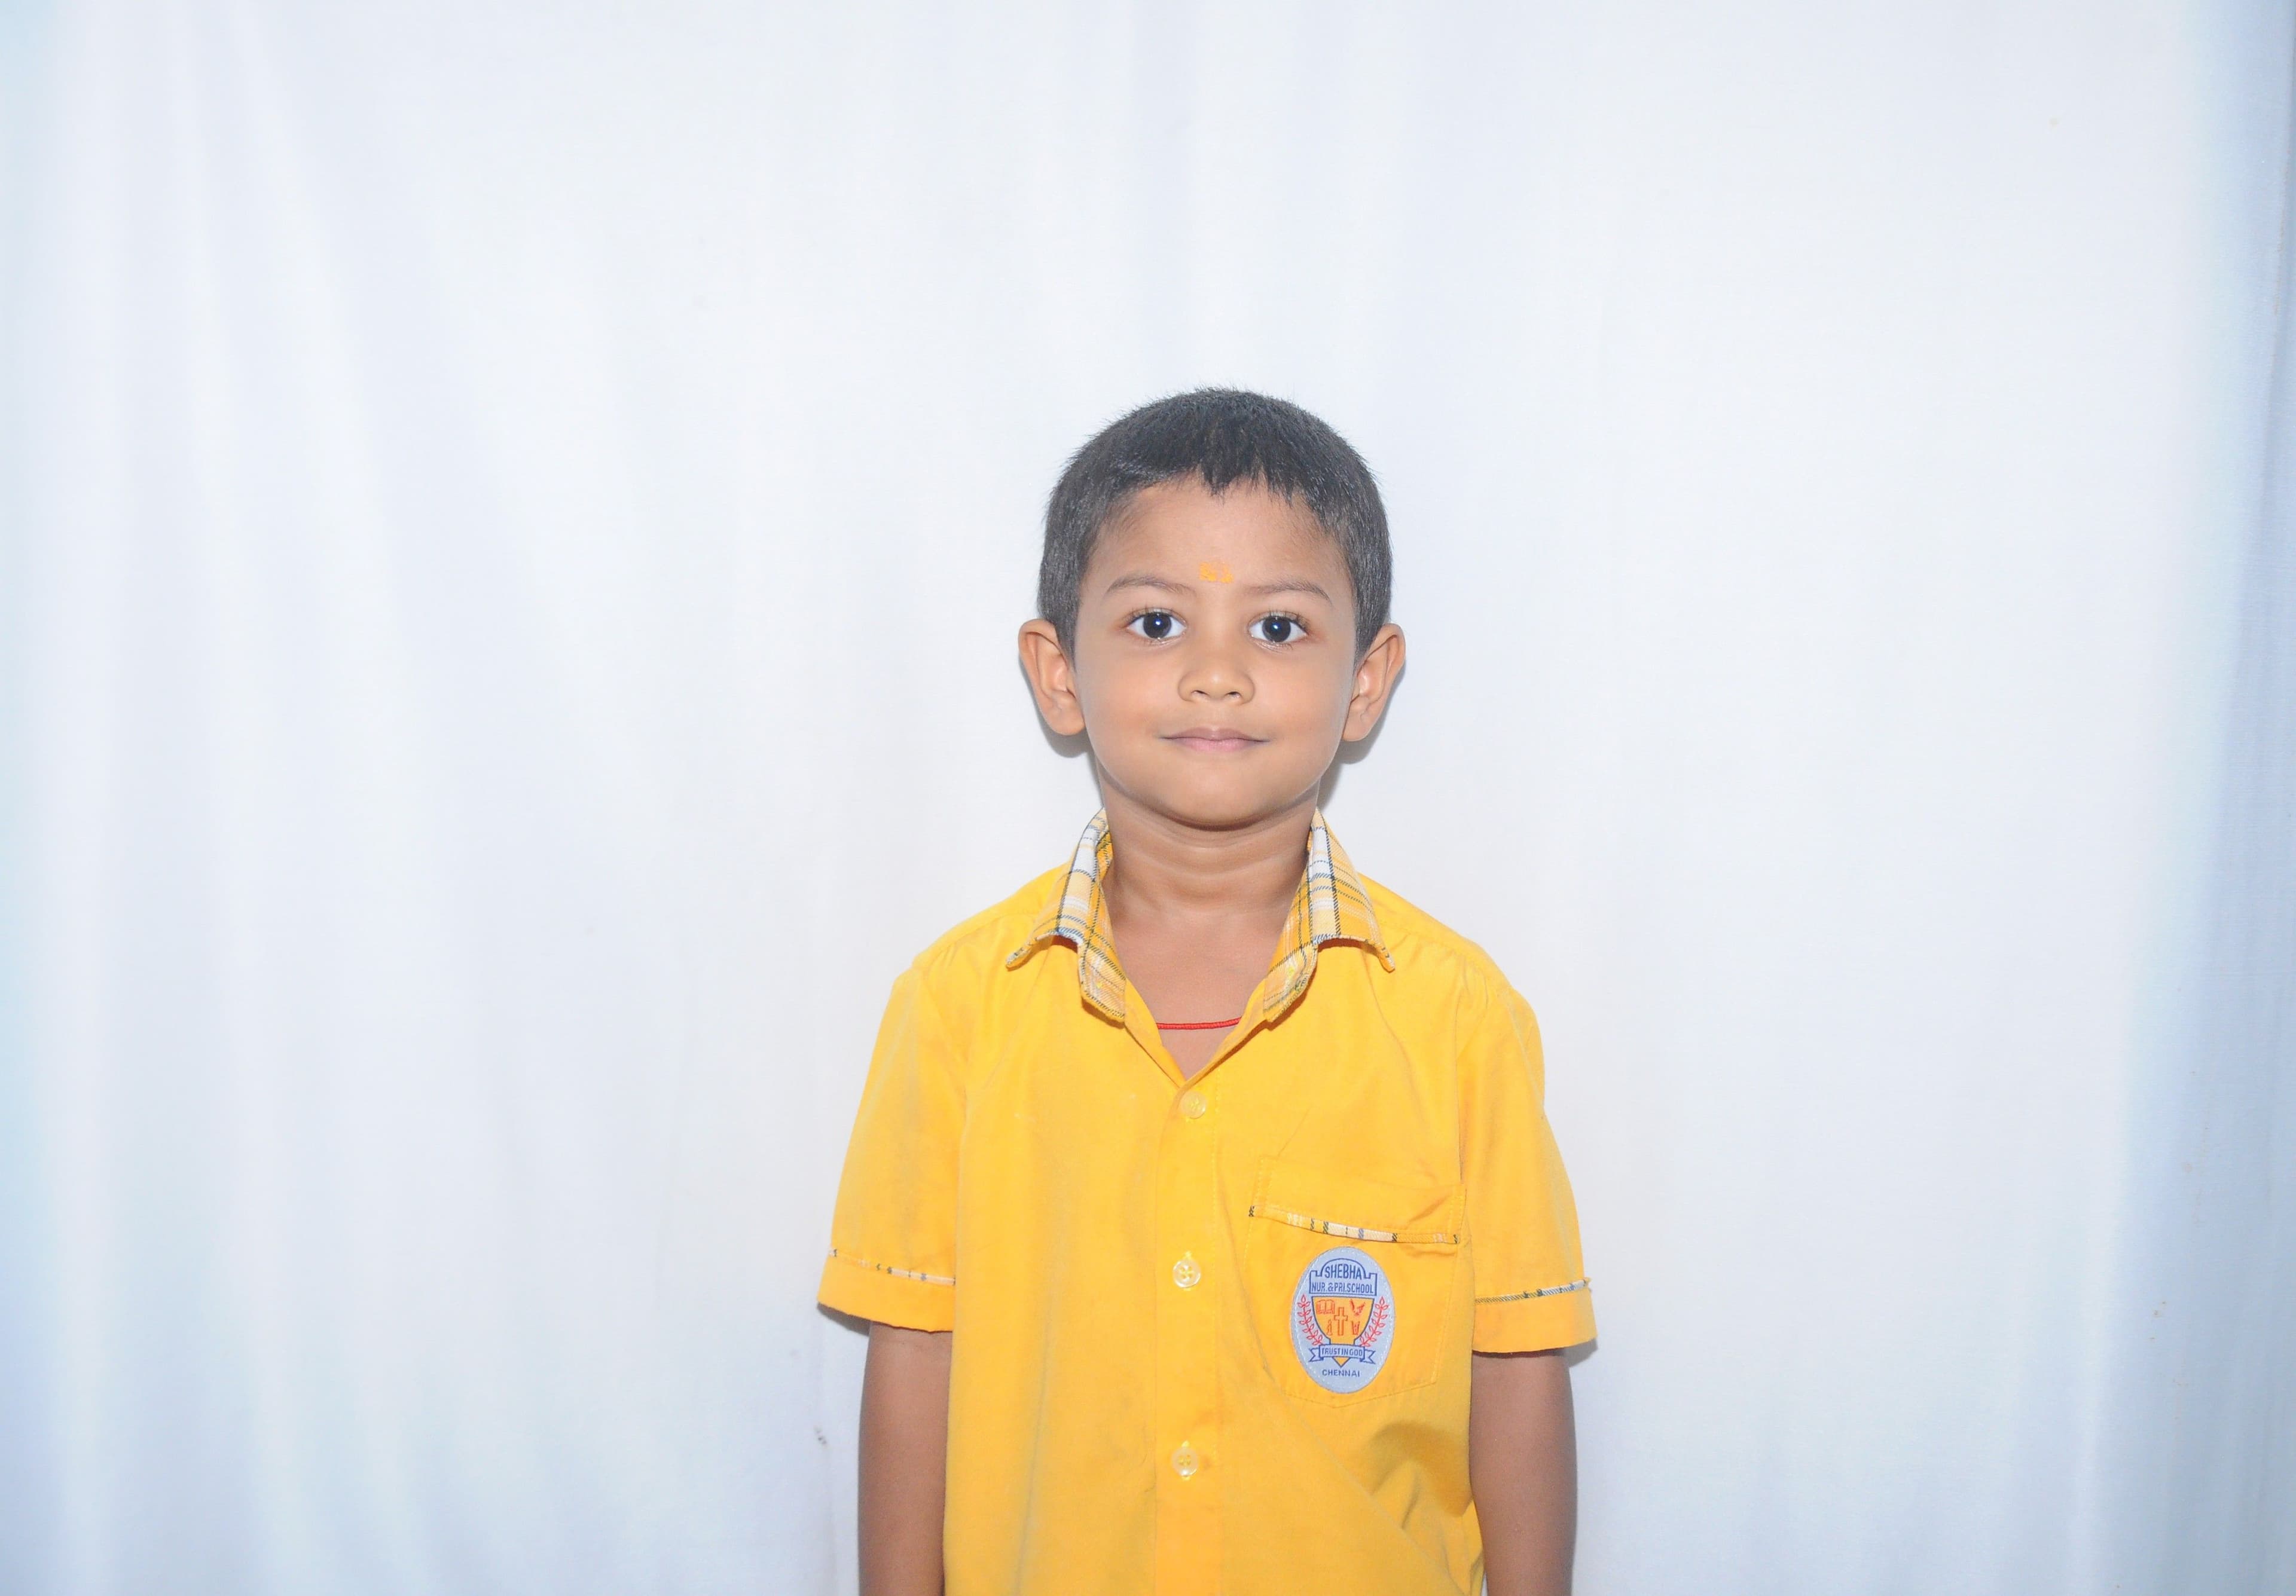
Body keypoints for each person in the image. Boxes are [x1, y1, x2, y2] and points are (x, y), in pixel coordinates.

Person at [816, 389, 1595, 1596]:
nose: (1218, 675)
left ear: (1366, 681)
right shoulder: (959, 1009)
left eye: (1278, 628)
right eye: (1157, 622)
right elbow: (915, 1356)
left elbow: (1517, 1369)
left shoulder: (1453, 1018)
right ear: (1059, 673)